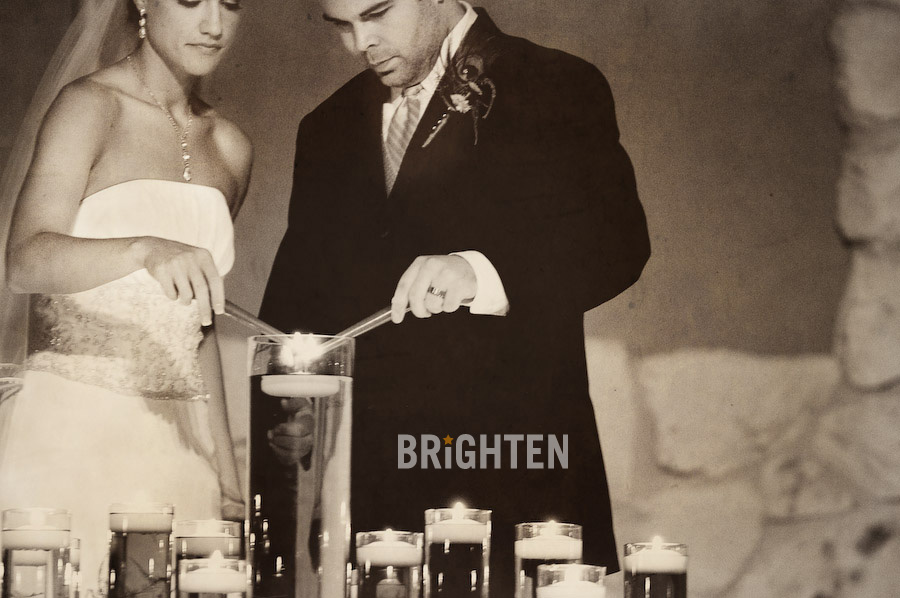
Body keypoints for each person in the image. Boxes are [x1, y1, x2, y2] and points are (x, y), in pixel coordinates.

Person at [260, 0, 650, 594]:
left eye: (377, 13)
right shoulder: (325, 126)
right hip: (373, 511)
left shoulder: (554, 82)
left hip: (514, 486)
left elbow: (618, 240)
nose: (360, 43)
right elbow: (294, 309)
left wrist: (481, 272)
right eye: (342, 25)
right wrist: (294, 412)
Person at [0, 0, 252, 593]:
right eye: (191, 1)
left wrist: (228, 480)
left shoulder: (231, 146)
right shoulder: (89, 106)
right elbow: (24, 260)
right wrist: (143, 249)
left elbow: (201, 327)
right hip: (72, 431)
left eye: (231, 3)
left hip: (181, 444)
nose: (214, 25)